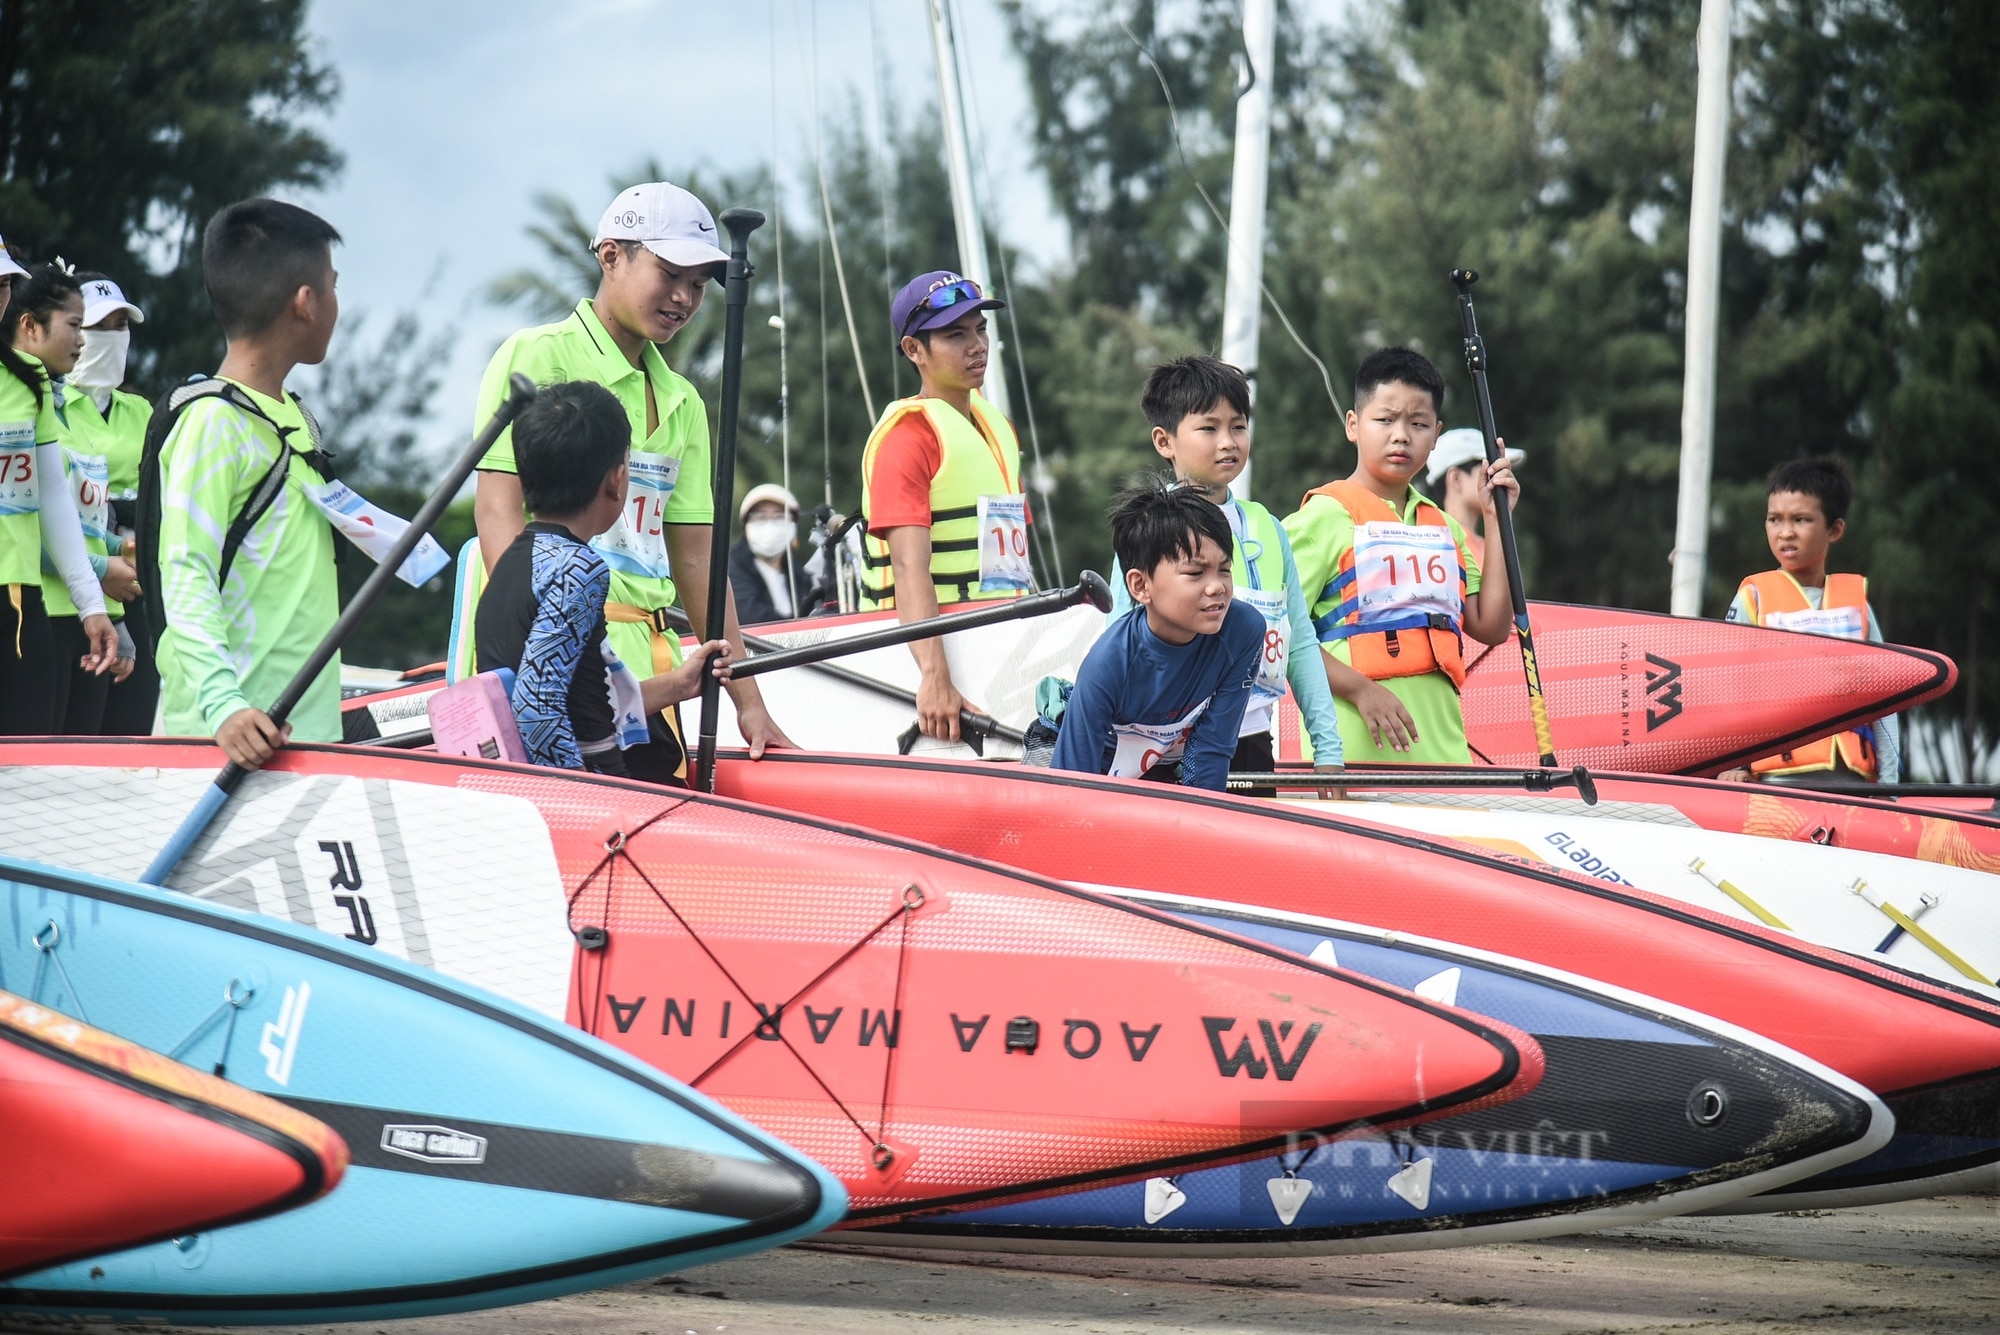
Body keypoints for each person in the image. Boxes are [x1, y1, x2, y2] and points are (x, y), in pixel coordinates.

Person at [470, 181, 792, 783]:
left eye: (698, 285)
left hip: (648, 676)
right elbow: (499, 515)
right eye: (669, 273)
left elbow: (697, 561)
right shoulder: (536, 356)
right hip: (543, 656)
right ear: (611, 255)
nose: (683, 297)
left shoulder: (684, 401)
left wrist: (750, 704)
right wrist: (534, 652)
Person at [151, 199, 344, 768]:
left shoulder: (293, 417)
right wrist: (223, 706)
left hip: (300, 734)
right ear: (306, 303)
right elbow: (185, 569)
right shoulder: (213, 422)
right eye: (333, 287)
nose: (338, 304)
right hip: (225, 739)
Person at [1106, 355, 1343, 780]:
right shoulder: (1148, 528)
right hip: (1165, 746)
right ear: (1165, 441)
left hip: (1252, 739)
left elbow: (1300, 642)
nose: (1228, 441)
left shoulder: (1268, 527)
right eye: (1209, 428)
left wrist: (1328, 750)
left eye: (1238, 426)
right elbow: (1119, 639)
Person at [476, 381, 729, 773]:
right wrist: (588, 793)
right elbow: (536, 706)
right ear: (616, 480)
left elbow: (584, 701)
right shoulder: (577, 568)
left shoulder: (512, 561)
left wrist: (679, 683)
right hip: (585, 799)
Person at [1283, 347, 1520, 766]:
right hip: (1351, 753)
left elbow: (1492, 626)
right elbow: (1278, 634)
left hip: (1446, 753)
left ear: (1436, 434)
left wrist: (1495, 517)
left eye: (1418, 423)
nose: (1401, 435)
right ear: (1353, 425)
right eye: (1385, 419)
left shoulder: (1445, 527)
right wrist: (1362, 690)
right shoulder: (1320, 518)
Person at [858, 270, 1029, 742]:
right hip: (936, 654)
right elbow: (909, 567)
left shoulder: (998, 427)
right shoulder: (906, 438)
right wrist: (935, 676)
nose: (976, 345)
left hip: (1001, 645)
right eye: (955, 334)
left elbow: (1014, 555)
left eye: (980, 329)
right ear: (914, 350)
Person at [1052, 476, 1264, 791]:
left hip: (1164, 772)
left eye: (1224, 569)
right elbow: (1069, 788)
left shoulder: (1244, 630)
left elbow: (1212, 749)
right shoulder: (1107, 664)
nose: (1217, 586)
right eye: (1195, 573)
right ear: (1140, 586)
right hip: (1093, 773)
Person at [6, 264, 141, 734]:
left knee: (46, 773)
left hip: (29, 606)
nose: (85, 340)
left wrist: (95, 607)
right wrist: (103, 574)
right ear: (30, 325)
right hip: (39, 600)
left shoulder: (34, 390)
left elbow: (59, 510)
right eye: (78, 326)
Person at [1720, 456, 1900, 784]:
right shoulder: (1754, 597)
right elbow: (1728, 689)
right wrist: (1733, 765)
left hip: (1853, 785)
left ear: (1835, 529)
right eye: (1774, 519)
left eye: (1800, 519)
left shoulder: (1857, 602)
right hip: (1777, 782)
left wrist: (1889, 787)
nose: (1785, 532)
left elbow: (1884, 701)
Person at [69, 270, 159, 734]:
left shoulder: (140, 410)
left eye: (120, 326)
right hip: (71, 587)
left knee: (132, 730)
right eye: (97, 327)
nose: (112, 338)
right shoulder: (50, 403)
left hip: (137, 583)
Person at [1423, 427, 1523, 570]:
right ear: (1456, 478)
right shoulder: (1437, 547)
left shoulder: (1490, 548)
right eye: (1490, 470)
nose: (1500, 479)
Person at [729, 482, 812, 625]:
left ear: (794, 525)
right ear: (745, 526)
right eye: (760, 517)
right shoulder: (730, 570)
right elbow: (750, 616)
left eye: (780, 516)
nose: (770, 525)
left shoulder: (800, 576)